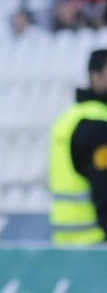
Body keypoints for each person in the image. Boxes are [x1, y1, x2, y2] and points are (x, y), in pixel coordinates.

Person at [49, 49, 107, 245]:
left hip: (66, 239)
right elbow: (104, 188)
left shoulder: (69, 118)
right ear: (95, 76)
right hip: (96, 242)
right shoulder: (97, 126)